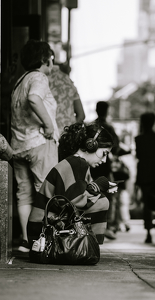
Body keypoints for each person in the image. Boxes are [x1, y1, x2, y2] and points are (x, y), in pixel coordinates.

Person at [27, 122, 117, 247]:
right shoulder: (78, 164)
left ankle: (88, 245)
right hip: (43, 233)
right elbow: (76, 202)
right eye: (104, 153)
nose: (104, 160)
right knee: (102, 202)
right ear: (91, 145)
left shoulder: (75, 162)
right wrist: (99, 186)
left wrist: (99, 185)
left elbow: (75, 196)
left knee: (100, 200)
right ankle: (89, 246)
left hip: (41, 230)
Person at [11, 40, 59, 252]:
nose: (53, 61)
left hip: (18, 145)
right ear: (44, 59)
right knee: (46, 190)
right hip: (39, 142)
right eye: (51, 57)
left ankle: (25, 240)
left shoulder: (18, 80)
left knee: (24, 193)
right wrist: (48, 125)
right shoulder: (39, 77)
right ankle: (42, 240)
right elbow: (34, 98)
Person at [90, 101, 120, 240]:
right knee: (111, 195)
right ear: (107, 111)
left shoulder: (90, 126)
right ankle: (108, 226)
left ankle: (93, 225)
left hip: (92, 167)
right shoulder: (109, 127)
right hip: (106, 168)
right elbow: (117, 146)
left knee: (91, 193)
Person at [135, 112, 155, 243]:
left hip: (144, 174)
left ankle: (148, 232)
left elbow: (139, 156)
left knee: (147, 203)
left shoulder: (139, 139)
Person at [48, 51, 85, 136]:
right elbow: (81, 115)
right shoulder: (68, 82)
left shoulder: (41, 79)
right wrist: (72, 130)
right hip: (67, 135)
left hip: (48, 136)